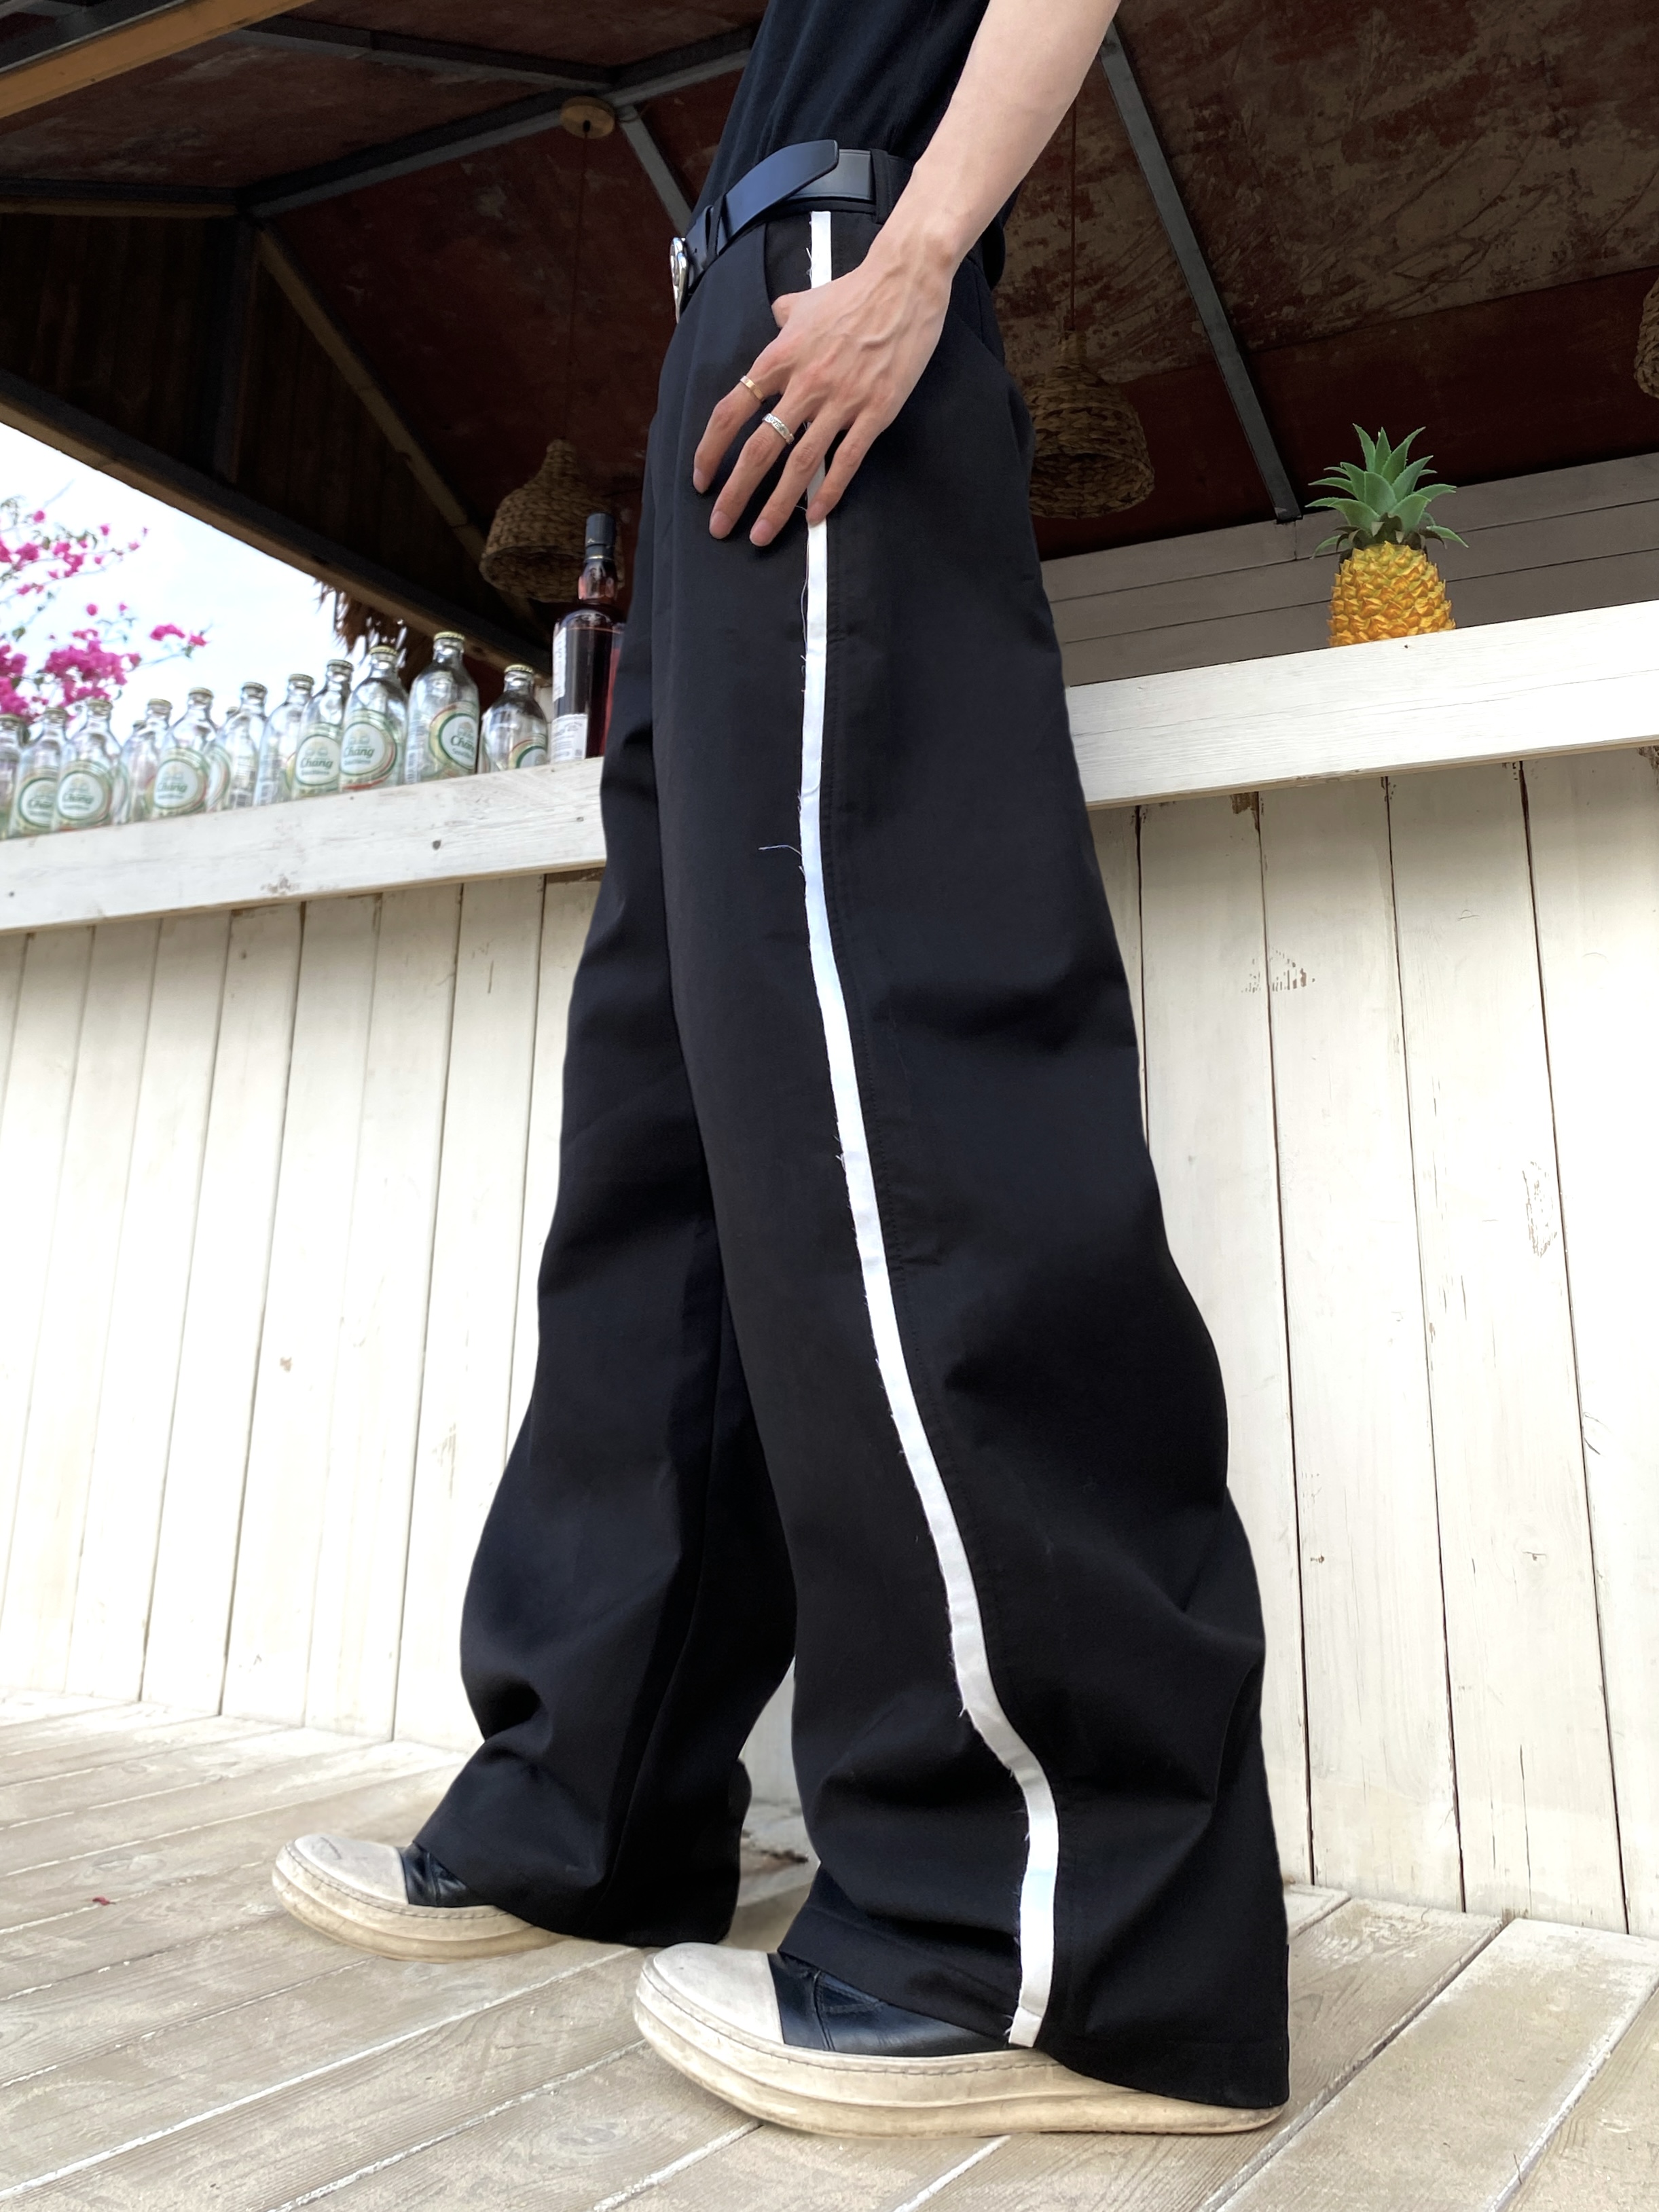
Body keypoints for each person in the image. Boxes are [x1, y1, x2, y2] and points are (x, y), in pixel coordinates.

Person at [274, 0, 1292, 2138]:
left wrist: (911, 259)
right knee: (673, 1115)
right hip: (740, 315)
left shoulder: (881, 252)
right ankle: (592, 1802)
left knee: (886, 1062)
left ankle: (1064, 1932)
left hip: (845, 273)